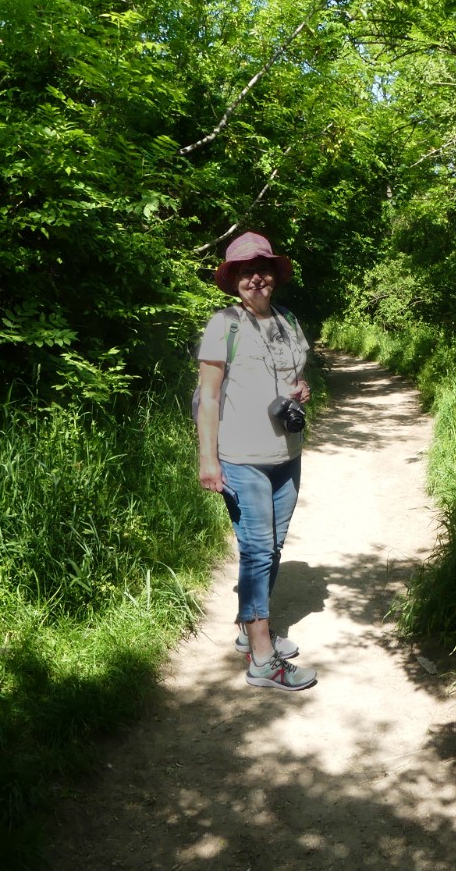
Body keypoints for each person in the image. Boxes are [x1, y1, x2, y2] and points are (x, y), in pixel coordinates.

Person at [195, 231, 316, 691]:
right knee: (258, 550)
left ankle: (250, 631)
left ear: (274, 275)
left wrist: (300, 390)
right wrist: (208, 460)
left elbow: (294, 375)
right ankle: (263, 660)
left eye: (262, 269)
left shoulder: (287, 320)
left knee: (273, 547)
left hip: (286, 454)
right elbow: (208, 397)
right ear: (234, 280)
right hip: (242, 457)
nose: (256, 278)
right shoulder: (223, 325)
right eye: (246, 272)